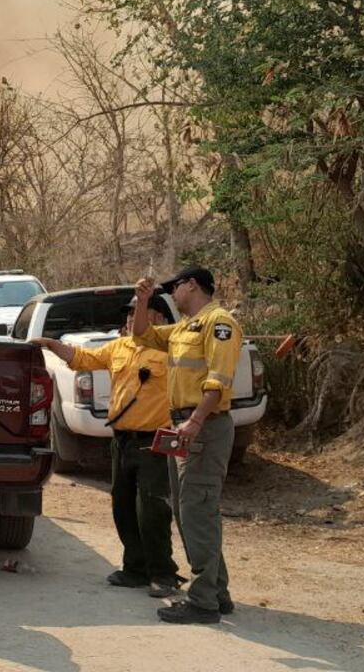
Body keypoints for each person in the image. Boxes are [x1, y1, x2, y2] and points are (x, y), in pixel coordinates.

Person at [31, 294, 182, 598]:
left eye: (140, 313)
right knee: (122, 505)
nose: (132, 319)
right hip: (122, 441)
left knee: (152, 509)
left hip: (154, 441)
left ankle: (163, 573)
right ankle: (135, 568)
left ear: (160, 319)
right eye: (130, 314)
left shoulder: (171, 350)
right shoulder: (118, 347)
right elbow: (82, 359)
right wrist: (51, 344)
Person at [132, 266, 243, 625]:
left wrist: (195, 421)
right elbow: (142, 335)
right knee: (188, 512)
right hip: (183, 426)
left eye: (174, 288)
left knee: (198, 511)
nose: (171, 295)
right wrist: (142, 301)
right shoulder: (184, 327)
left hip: (203, 427)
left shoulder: (218, 323)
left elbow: (218, 381)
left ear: (191, 285)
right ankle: (217, 592)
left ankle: (203, 602)